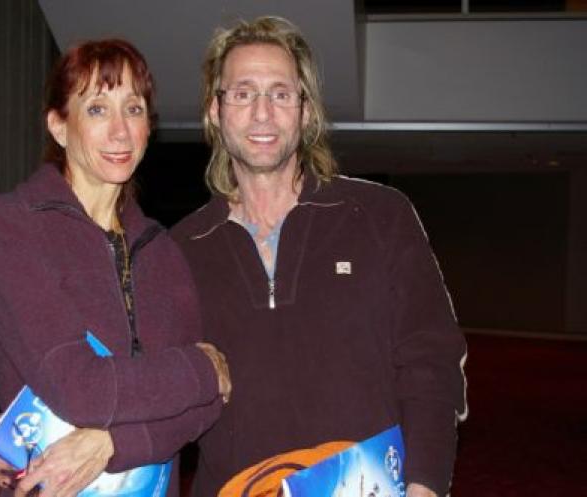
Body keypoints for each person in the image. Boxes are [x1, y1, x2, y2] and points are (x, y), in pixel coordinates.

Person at [168, 16, 467, 497]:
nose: (262, 113)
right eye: (243, 93)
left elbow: (431, 361)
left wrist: (425, 486)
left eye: (280, 93)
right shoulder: (181, 249)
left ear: (305, 112)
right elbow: (159, 398)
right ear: (215, 111)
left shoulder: (379, 215)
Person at [0, 39, 230, 497]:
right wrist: (204, 368)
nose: (120, 131)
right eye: (96, 109)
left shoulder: (163, 249)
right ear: (59, 126)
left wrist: (113, 444)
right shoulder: (9, 228)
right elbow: (80, 389)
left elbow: (206, 409)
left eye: (133, 109)